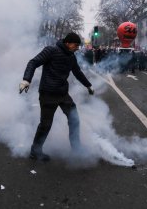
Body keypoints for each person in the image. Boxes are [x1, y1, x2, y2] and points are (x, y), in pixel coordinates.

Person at [19, 32, 94, 161]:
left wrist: (88, 85)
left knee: (74, 119)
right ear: (67, 43)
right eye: (75, 45)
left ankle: (76, 149)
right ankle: (35, 152)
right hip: (48, 94)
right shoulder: (51, 50)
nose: (77, 48)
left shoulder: (71, 56)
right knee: (45, 125)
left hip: (63, 94)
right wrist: (26, 79)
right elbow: (33, 62)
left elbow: (77, 72)